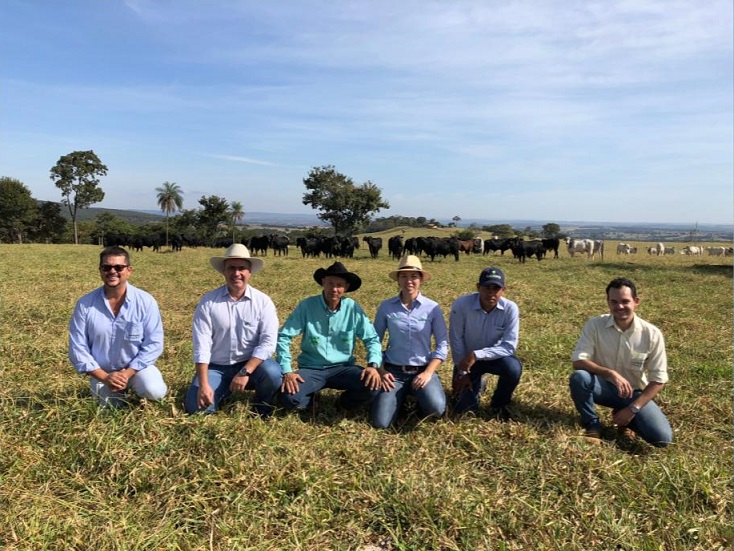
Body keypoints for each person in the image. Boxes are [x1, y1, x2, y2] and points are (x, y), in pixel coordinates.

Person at [570, 277, 673, 446]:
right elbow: (578, 361)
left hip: (634, 394)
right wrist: (609, 373)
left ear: (636, 301)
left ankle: (627, 419)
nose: (619, 306)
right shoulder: (595, 325)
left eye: (625, 301)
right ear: (608, 302)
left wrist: (633, 409)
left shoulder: (652, 334)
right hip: (603, 387)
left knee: (662, 438)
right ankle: (592, 424)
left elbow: (658, 380)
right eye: (614, 301)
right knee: (580, 378)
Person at [184, 243, 282, 417]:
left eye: (241, 268)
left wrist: (244, 372)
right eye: (231, 268)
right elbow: (202, 346)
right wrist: (204, 384)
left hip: (251, 365)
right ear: (224, 271)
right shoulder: (208, 302)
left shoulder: (263, 302)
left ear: (249, 272)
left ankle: (262, 407)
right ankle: (219, 390)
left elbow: (267, 343)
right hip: (217, 367)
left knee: (273, 373)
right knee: (195, 407)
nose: (236, 273)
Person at [277, 261, 383, 414]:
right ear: (323, 282)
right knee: (288, 397)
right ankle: (310, 400)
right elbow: (284, 337)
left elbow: (371, 339)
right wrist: (287, 371)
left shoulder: (353, 308)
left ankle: (343, 403)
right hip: (312, 368)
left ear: (346, 288)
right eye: (330, 283)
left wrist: (373, 366)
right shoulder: (307, 306)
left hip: (343, 368)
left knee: (373, 385)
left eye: (339, 285)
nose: (334, 289)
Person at [69, 246, 168, 408]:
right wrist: (105, 377)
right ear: (100, 270)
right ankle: (115, 394)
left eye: (119, 267)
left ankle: (137, 393)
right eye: (106, 267)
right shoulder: (85, 304)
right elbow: (77, 348)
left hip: (136, 369)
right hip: (102, 373)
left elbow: (154, 344)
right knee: (108, 407)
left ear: (129, 270)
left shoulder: (146, 301)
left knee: (154, 391)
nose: (112, 271)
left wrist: (127, 373)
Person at [371, 255, 448, 428]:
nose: (409, 281)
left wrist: (428, 372)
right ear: (398, 280)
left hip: (421, 370)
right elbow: (374, 340)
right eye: (404, 276)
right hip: (393, 372)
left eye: (414, 276)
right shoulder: (386, 306)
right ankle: (401, 396)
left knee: (436, 409)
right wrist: (381, 370)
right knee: (381, 423)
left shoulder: (433, 308)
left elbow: (442, 344)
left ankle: (417, 395)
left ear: (421, 279)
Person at [449, 266, 522, 421]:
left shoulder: (510, 309)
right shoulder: (461, 305)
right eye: (486, 287)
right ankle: (477, 385)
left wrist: (477, 354)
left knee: (513, 368)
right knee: (465, 411)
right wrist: (462, 372)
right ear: (478, 287)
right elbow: (456, 339)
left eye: (496, 288)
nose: (491, 292)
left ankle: (499, 403)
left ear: (504, 290)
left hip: (493, 358)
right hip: (466, 362)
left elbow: (509, 346)